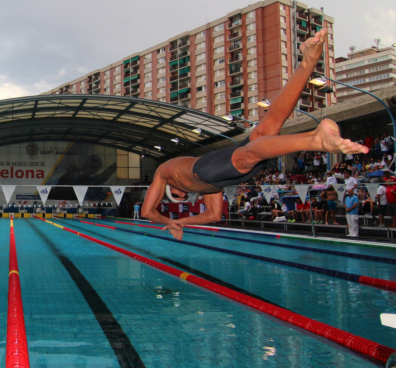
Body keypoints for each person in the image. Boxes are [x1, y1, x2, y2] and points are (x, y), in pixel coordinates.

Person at [140, 28, 367, 239]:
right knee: (268, 128)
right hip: (221, 175)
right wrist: (182, 222)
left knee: (247, 154)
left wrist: (168, 222)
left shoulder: (163, 173)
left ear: (170, 189)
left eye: (176, 195)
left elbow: (147, 212)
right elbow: (213, 216)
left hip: (203, 168)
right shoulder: (210, 188)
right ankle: (306, 64)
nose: (182, 196)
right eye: (182, 198)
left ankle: (315, 139)